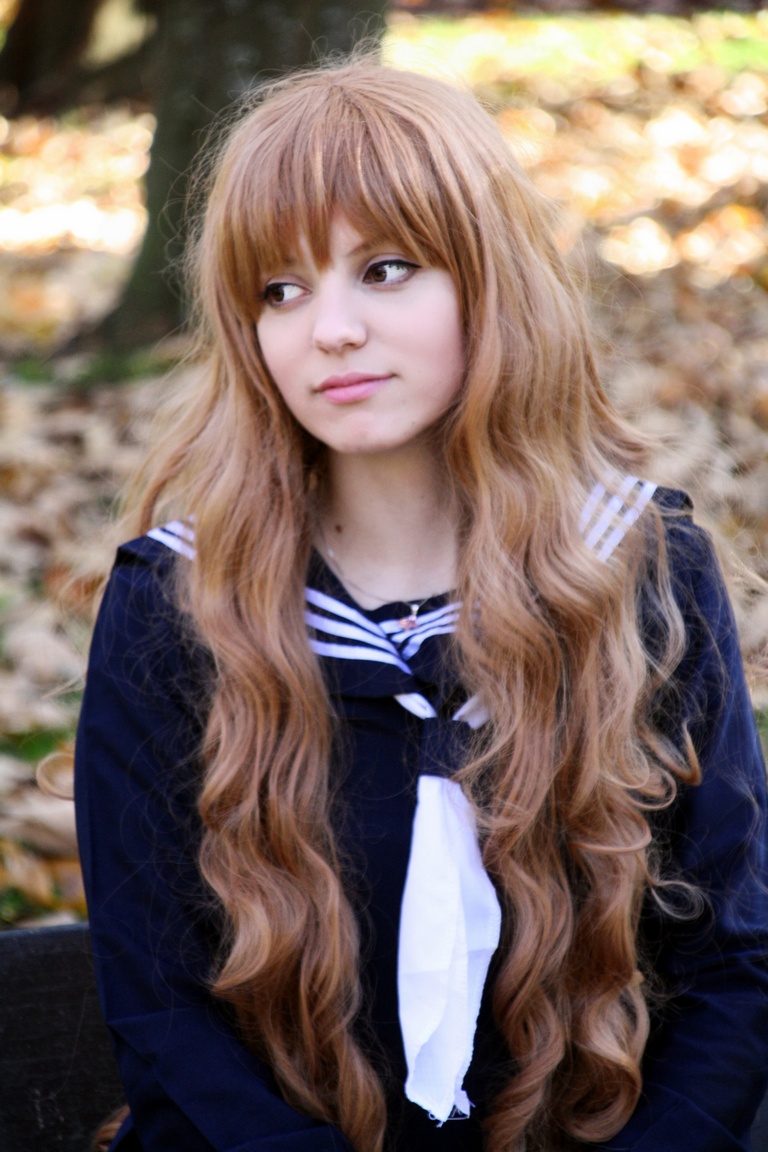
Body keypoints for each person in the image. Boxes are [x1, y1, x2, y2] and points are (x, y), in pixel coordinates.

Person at [74, 58, 768, 1152]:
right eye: (281, 290)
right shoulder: (180, 604)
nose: (330, 330)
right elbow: (162, 1010)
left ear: (489, 282)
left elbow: (735, 959)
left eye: (386, 270)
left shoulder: (638, 569)